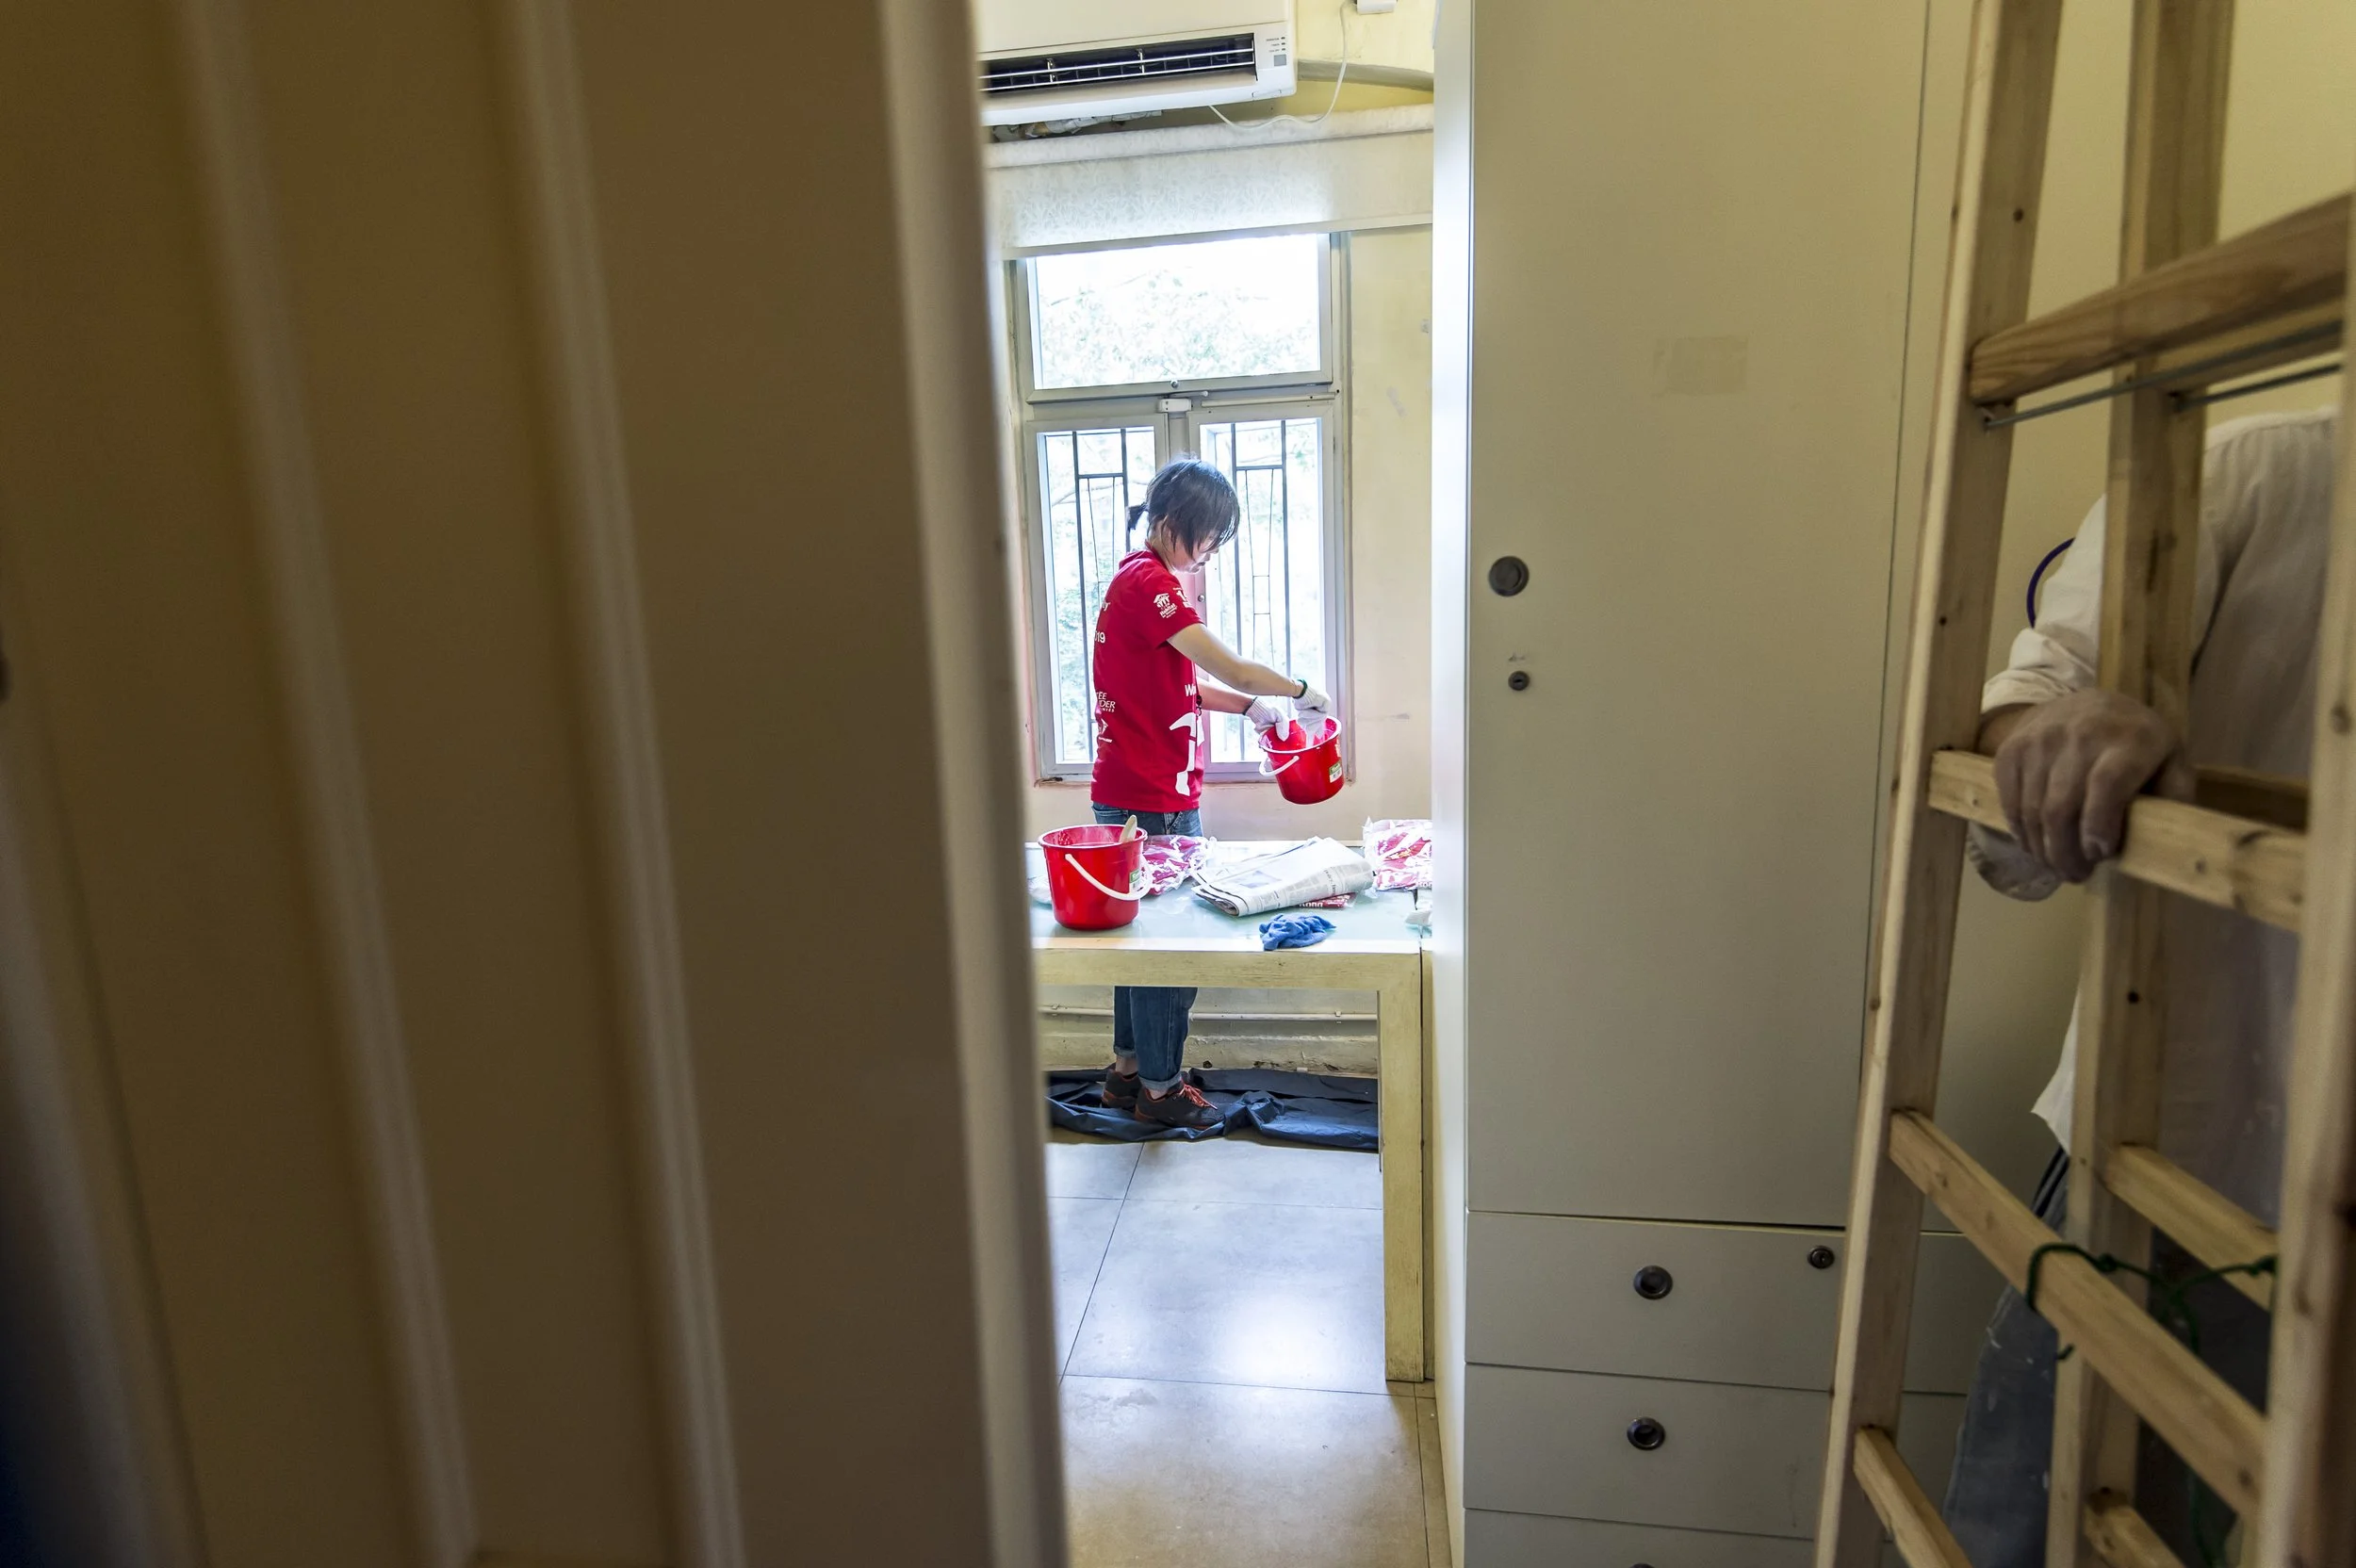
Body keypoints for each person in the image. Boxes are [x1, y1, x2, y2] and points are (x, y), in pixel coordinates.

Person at [1941, 407, 2338, 1566]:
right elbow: (2026, 706)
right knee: (2037, 1531)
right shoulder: (2254, 470)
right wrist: (2056, 733)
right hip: (2191, 1153)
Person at [1088, 456, 1332, 1128]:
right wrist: (1300, 691)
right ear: (1173, 521)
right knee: (1170, 946)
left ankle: (1127, 1075)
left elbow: (1179, 683)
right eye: (1208, 536)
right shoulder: (1151, 582)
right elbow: (1228, 665)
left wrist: (1248, 709)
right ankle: (1162, 1092)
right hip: (1152, 798)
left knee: (1139, 942)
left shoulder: (1135, 579)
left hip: (1135, 788)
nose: (1209, 552)